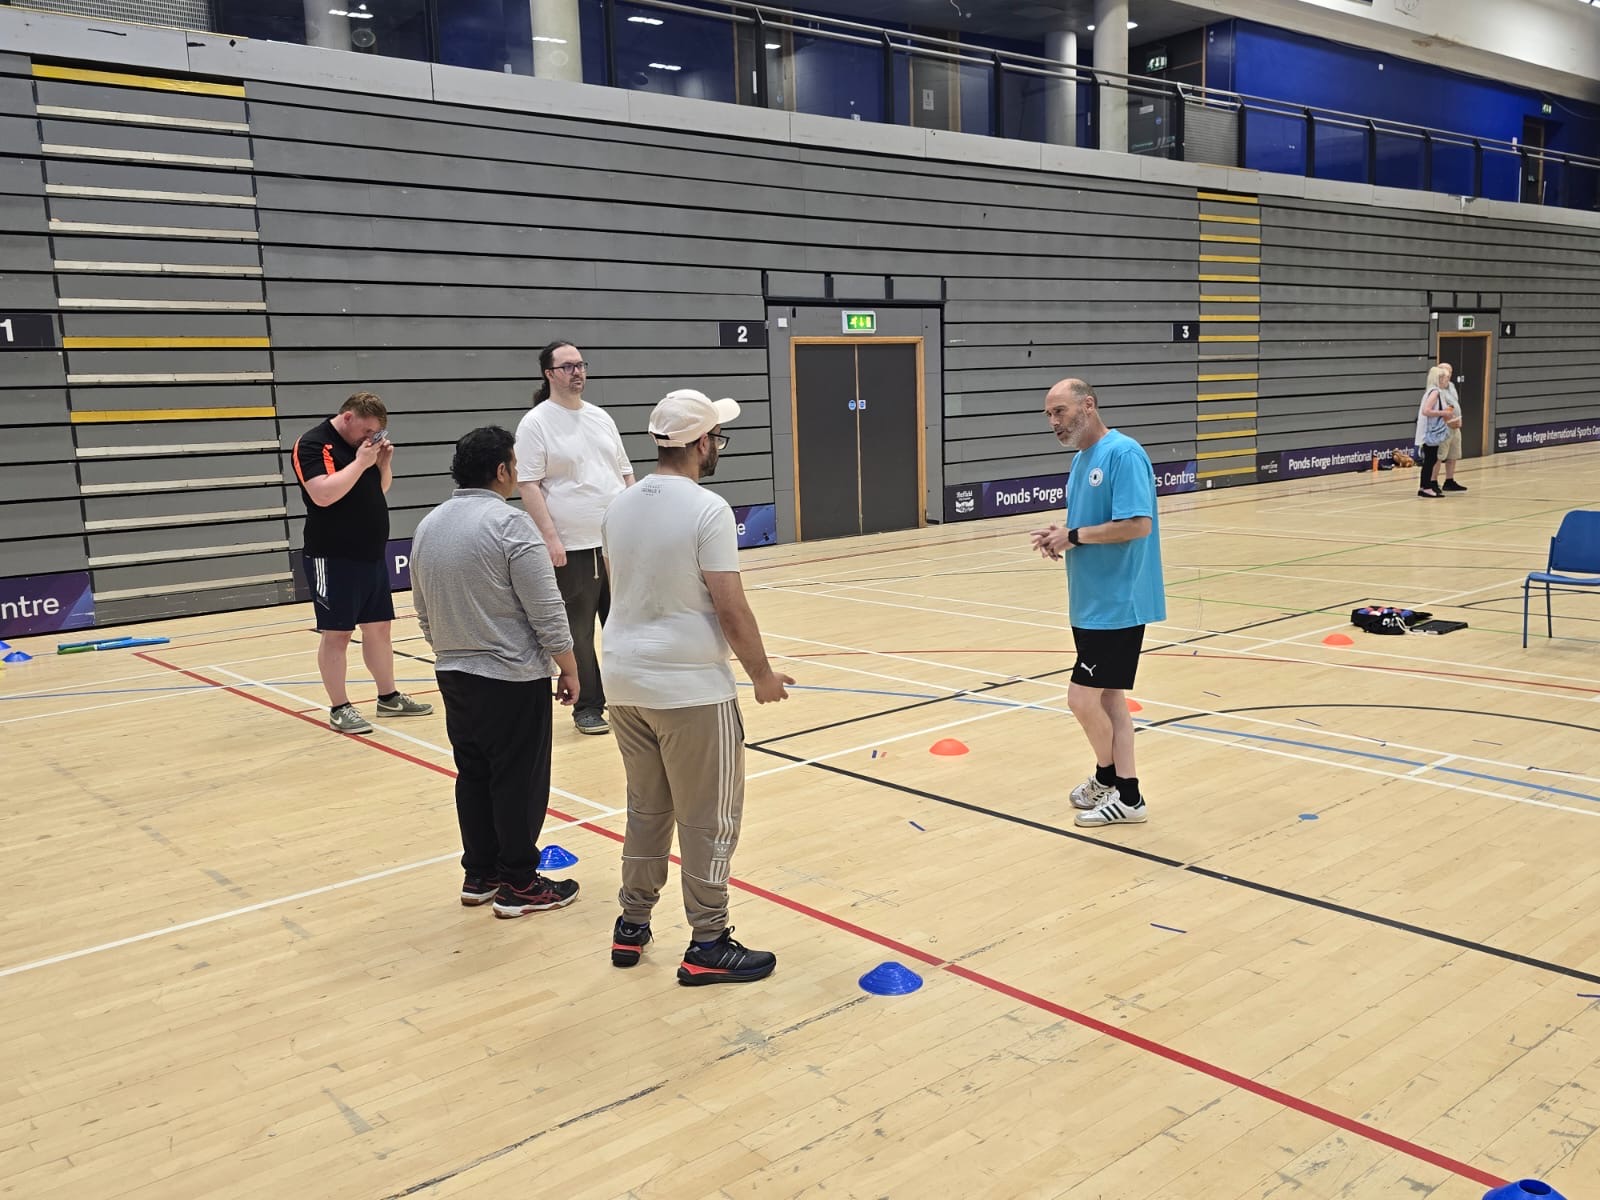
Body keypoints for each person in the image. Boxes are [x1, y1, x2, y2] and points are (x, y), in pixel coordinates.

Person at [600, 388, 794, 985]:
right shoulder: (707, 510)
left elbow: (620, 590)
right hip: (688, 688)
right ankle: (708, 939)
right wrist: (760, 675)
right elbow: (729, 606)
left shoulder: (618, 505)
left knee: (646, 807)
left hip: (624, 680)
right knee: (708, 815)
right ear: (703, 442)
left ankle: (631, 924)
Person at [410, 427, 583, 917]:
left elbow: (421, 609)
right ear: (504, 471)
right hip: (511, 677)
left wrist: (452, 650)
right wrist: (568, 665)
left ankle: (480, 873)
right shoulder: (512, 525)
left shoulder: (429, 526)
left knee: (474, 775)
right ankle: (521, 884)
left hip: (453, 673)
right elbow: (546, 608)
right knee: (517, 780)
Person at [1030, 379, 1166, 829]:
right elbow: (1088, 528)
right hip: (1090, 601)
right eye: (1049, 414)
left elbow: (1136, 525)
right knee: (1111, 701)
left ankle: (1121, 788)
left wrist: (1074, 536)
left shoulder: (1123, 454)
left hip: (1119, 602)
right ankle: (1118, 790)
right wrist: (1062, 538)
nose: (1054, 422)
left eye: (1060, 411)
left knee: (1081, 700)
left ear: (1088, 405)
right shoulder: (1079, 461)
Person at [292, 391, 433, 734]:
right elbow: (323, 494)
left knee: (380, 628)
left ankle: (389, 696)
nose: (370, 438)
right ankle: (340, 707)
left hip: (370, 554)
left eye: (376, 434)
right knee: (337, 633)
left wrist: (382, 465)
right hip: (332, 555)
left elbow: (377, 490)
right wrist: (361, 461)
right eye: (366, 431)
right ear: (348, 417)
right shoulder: (314, 444)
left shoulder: (365, 451)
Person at [515, 340, 634, 736]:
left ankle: (630, 699)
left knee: (625, 624)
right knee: (579, 633)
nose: (577, 372)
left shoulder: (601, 418)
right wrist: (550, 539)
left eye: (581, 365)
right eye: (567, 367)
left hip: (616, 543)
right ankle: (588, 706)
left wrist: (637, 526)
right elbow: (528, 484)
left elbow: (625, 474)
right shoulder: (536, 423)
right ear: (549, 374)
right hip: (573, 547)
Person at [1414, 366, 1453, 499]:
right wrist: (1443, 413)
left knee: (1430, 460)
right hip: (1431, 431)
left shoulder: (1432, 391)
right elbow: (1426, 410)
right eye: (1444, 378)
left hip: (1429, 431)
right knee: (1430, 460)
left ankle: (1423, 486)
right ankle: (1426, 487)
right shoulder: (1435, 392)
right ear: (1439, 378)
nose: (1446, 380)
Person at [1434, 361, 1468, 491]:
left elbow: (1453, 403)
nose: (1449, 375)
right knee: (1439, 455)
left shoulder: (1452, 386)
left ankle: (1449, 480)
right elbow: (1439, 408)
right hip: (1444, 426)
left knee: (1453, 454)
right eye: (1446, 373)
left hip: (1455, 426)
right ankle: (1433, 481)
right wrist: (1449, 420)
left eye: (1450, 373)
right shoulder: (1436, 389)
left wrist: (1458, 418)